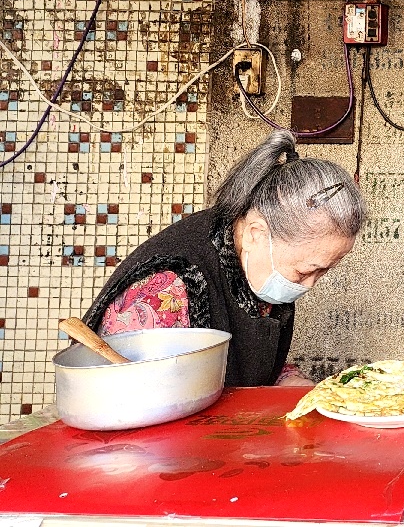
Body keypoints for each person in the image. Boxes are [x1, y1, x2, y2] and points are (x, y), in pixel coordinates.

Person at [82, 130, 366, 386]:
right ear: (256, 233)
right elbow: (132, 396)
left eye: (324, 271)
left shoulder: (255, 262)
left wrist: (288, 381)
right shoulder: (165, 290)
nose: (309, 284)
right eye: (306, 271)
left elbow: (240, 361)